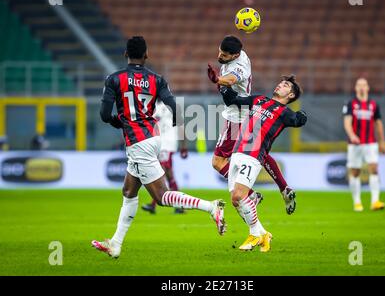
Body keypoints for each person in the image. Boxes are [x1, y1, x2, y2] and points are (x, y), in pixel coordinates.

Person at [92, 36, 226, 258]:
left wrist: (120, 121)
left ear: (126, 54)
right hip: (153, 138)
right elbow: (174, 107)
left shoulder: (114, 79)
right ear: (146, 55)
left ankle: (211, 207)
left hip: (138, 142)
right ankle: (115, 244)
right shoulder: (157, 80)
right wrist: (175, 127)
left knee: (162, 196)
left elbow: (105, 115)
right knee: (128, 191)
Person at [218, 75, 307, 252]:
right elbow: (234, 100)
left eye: (286, 85)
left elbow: (299, 120)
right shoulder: (259, 99)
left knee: (238, 196)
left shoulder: (284, 113)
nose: (280, 84)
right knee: (236, 201)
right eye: (281, 82)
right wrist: (221, 85)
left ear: (290, 95)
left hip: (253, 155)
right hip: (237, 152)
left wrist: (302, 115)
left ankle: (254, 235)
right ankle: (263, 234)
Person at [207, 36, 296, 214]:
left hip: (237, 118)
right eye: (219, 51)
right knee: (258, 153)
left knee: (218, 162)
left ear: (235, 55)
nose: (220, 56)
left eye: (224, 55)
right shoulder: (239, 55)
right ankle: (284, 188)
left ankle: (251, 195)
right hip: (246, 114)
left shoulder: (239, 68)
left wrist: (218, 80)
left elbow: (231, 79)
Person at [343, 77, 385, 212]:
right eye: (359, 85)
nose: (362, 87)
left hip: (370, 143)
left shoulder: (374, 105)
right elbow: (347, 122)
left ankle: (375, 201)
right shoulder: (350, 104)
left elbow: (378, 124)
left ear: (368, 88)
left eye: (364, 85)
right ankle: (357, 202)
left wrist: (382, 142)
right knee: (355, 172)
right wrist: (352, 136)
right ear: (356, 88)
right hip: (355, 144)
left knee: (374, 168)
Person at [141, 100, 188, 214]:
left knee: (165, 174)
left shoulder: (159, 108)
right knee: (167, 175)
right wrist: (183, 146)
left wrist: (183, 146)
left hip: (165, 144)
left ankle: (157, 205)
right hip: (165, 144)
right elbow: (181, 126)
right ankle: (178, 205)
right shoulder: (170, 106)